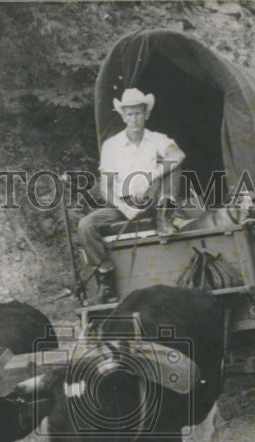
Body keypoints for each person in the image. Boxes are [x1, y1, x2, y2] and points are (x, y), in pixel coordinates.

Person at [77, 88, 186, 303]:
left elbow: (178, 154)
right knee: (85, 225)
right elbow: (105, 186)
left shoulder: (157, 139)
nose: (134, 119)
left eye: (138, 113)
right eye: (129, 114)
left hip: (152, 199)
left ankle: (165, 217)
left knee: (173, 165)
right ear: (123, 116)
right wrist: (123, 207)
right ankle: (106, 280)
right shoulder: (112, 145)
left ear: (146, 114)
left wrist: (150, 175)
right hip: (123, 205)